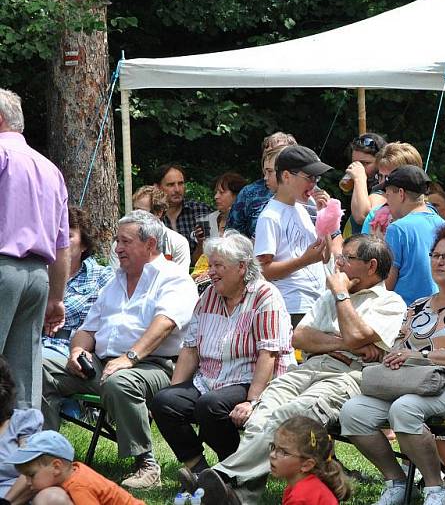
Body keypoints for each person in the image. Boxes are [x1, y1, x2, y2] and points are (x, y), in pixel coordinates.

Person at [196, 234, 406, 504]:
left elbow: (352, 339)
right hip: (308, 368)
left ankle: (221, 476)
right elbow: (299, 337)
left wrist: (341, 297)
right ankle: (240, 497)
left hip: (348, 375)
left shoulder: (389, 303)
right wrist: (348, 342)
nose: (338, 263)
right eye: (339, 257)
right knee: (263, 412)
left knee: (290, 414)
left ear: (371, 265)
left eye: (347, 258)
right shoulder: (329, 296)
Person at [338, 222, 445, 505]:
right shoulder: (418, 306)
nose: (439, 261)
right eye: (435, 255)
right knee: (353, 411)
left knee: (405, 409)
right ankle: (398, 482)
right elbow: (400, 350)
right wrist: (393, 357)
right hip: (412, 385)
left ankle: (436, 489)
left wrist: (423, 356)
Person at [41, 210, 199, 489]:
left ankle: (147, 465)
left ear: (150, 244)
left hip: (156, 367)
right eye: (117, 241)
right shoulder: (115, 282)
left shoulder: (174, 278)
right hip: (103, 364)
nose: (117, 248)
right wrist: (77, 351)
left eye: (125, 242)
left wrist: (130, 357)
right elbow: (87, 330)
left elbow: (164, 324)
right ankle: (49, 455)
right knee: (40, 365)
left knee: (120, 381)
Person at [150, 232, 295, 491]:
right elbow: (190, 349)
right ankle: (200, 470)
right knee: (164, 402)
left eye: (219, 265)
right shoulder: (208, 296)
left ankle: (237, 471)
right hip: (211, 379)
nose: (212, 272)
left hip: (252, 380)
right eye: (211, 264)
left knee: (210, 406)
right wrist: (173, 391)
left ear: (241, 267)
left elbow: (269, 355)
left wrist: (252, 401)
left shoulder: (265, 296)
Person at [0, 88, 69, 408]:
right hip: (37, 278)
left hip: (2, 268)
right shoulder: (50, 169)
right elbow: (62, 244)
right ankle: (24, 453)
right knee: (24, 378)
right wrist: (56, 298)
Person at [255, 145, 334, 327]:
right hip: (291, 307)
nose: (313, 184)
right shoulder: (270, 216)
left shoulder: (304, 208)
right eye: (309, 177)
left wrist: (324, 218)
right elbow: (263, 270)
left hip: (317, 302)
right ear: (286, 176)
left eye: (316, 178)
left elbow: (324, 256)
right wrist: (303, 261)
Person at [42, 207, 114, 361]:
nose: (59, 241)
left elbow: (104, 324)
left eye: (67, 236)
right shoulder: (38, 271)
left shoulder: (101, 276)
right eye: (55, 234)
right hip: (31, 343)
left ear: (84, 245)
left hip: (68, 350)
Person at [9, 430, 144, 505]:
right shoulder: (75, 471)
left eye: (31, 475)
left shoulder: (79, 487)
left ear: (56, 467)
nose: (26, 481)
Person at [381, 165, 445, 305]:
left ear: (401, 193)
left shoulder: (397, 229)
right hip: (439, 309)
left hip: (407, 312)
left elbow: (388, 283)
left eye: (388, 194)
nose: (387, 201)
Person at [228, 132, 297, 238]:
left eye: (278, 153)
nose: (269, 157)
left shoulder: (306, 192)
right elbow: (232, 235)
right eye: (267, 154)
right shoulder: (249, 193)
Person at [108, 186, 191, 271]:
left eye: (141, 211)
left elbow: (179, 279)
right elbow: (116, 277)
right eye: (134, 209)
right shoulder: (120, 245)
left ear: (159, 213)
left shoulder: (178, 243)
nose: (135, 215)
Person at [272, 416, 351, 505]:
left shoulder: (300, 496)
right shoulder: (303, 486)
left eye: (284, 452)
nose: (272, 455)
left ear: (307, 465)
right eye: (273, 447)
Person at [0, 356, 43, 504]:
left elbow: (32, 471)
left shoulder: (22, 422)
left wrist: (6, 502)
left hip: (12, 496)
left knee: (53, 496)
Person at [361, 142, 424, 236]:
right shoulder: (375, 214)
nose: (383, 184)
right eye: (380, 176)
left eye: (388, 178)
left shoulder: (427, 215)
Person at [192, 172, 248, 265]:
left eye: (221, 192)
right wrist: (200, 242)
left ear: (237, 195)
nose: (216, 197)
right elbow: (196, 262)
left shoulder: (247, 221)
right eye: (216, 192)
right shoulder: (207, 220)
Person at [154, 163, 211, 254]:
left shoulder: (200, 210)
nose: (177, 189)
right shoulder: (151, 216)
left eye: (180, 183)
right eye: (170, 185)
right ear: (157, 187)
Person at [343, 133, 387, 236]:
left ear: (380, 163)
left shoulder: (385, 189)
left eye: (365, 163)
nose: (358, 167)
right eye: (355, 162)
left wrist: (359, 178)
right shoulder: (364, 185)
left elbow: (362, 217)